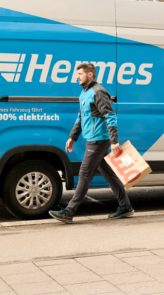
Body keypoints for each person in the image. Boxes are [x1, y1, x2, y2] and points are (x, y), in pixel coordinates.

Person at [49, 62, 134, 224]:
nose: (77, 77)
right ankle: (126, 207)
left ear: (90, 75)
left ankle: (69, 211)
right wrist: (72, 137)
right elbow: (81, 117)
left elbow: (110, 116)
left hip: (99, 139)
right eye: (77, 74)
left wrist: (114, 141)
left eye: (80, 74)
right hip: (93, 138)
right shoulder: (85, 93)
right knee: (109, 174)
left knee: (84, 174)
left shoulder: (98, 92)